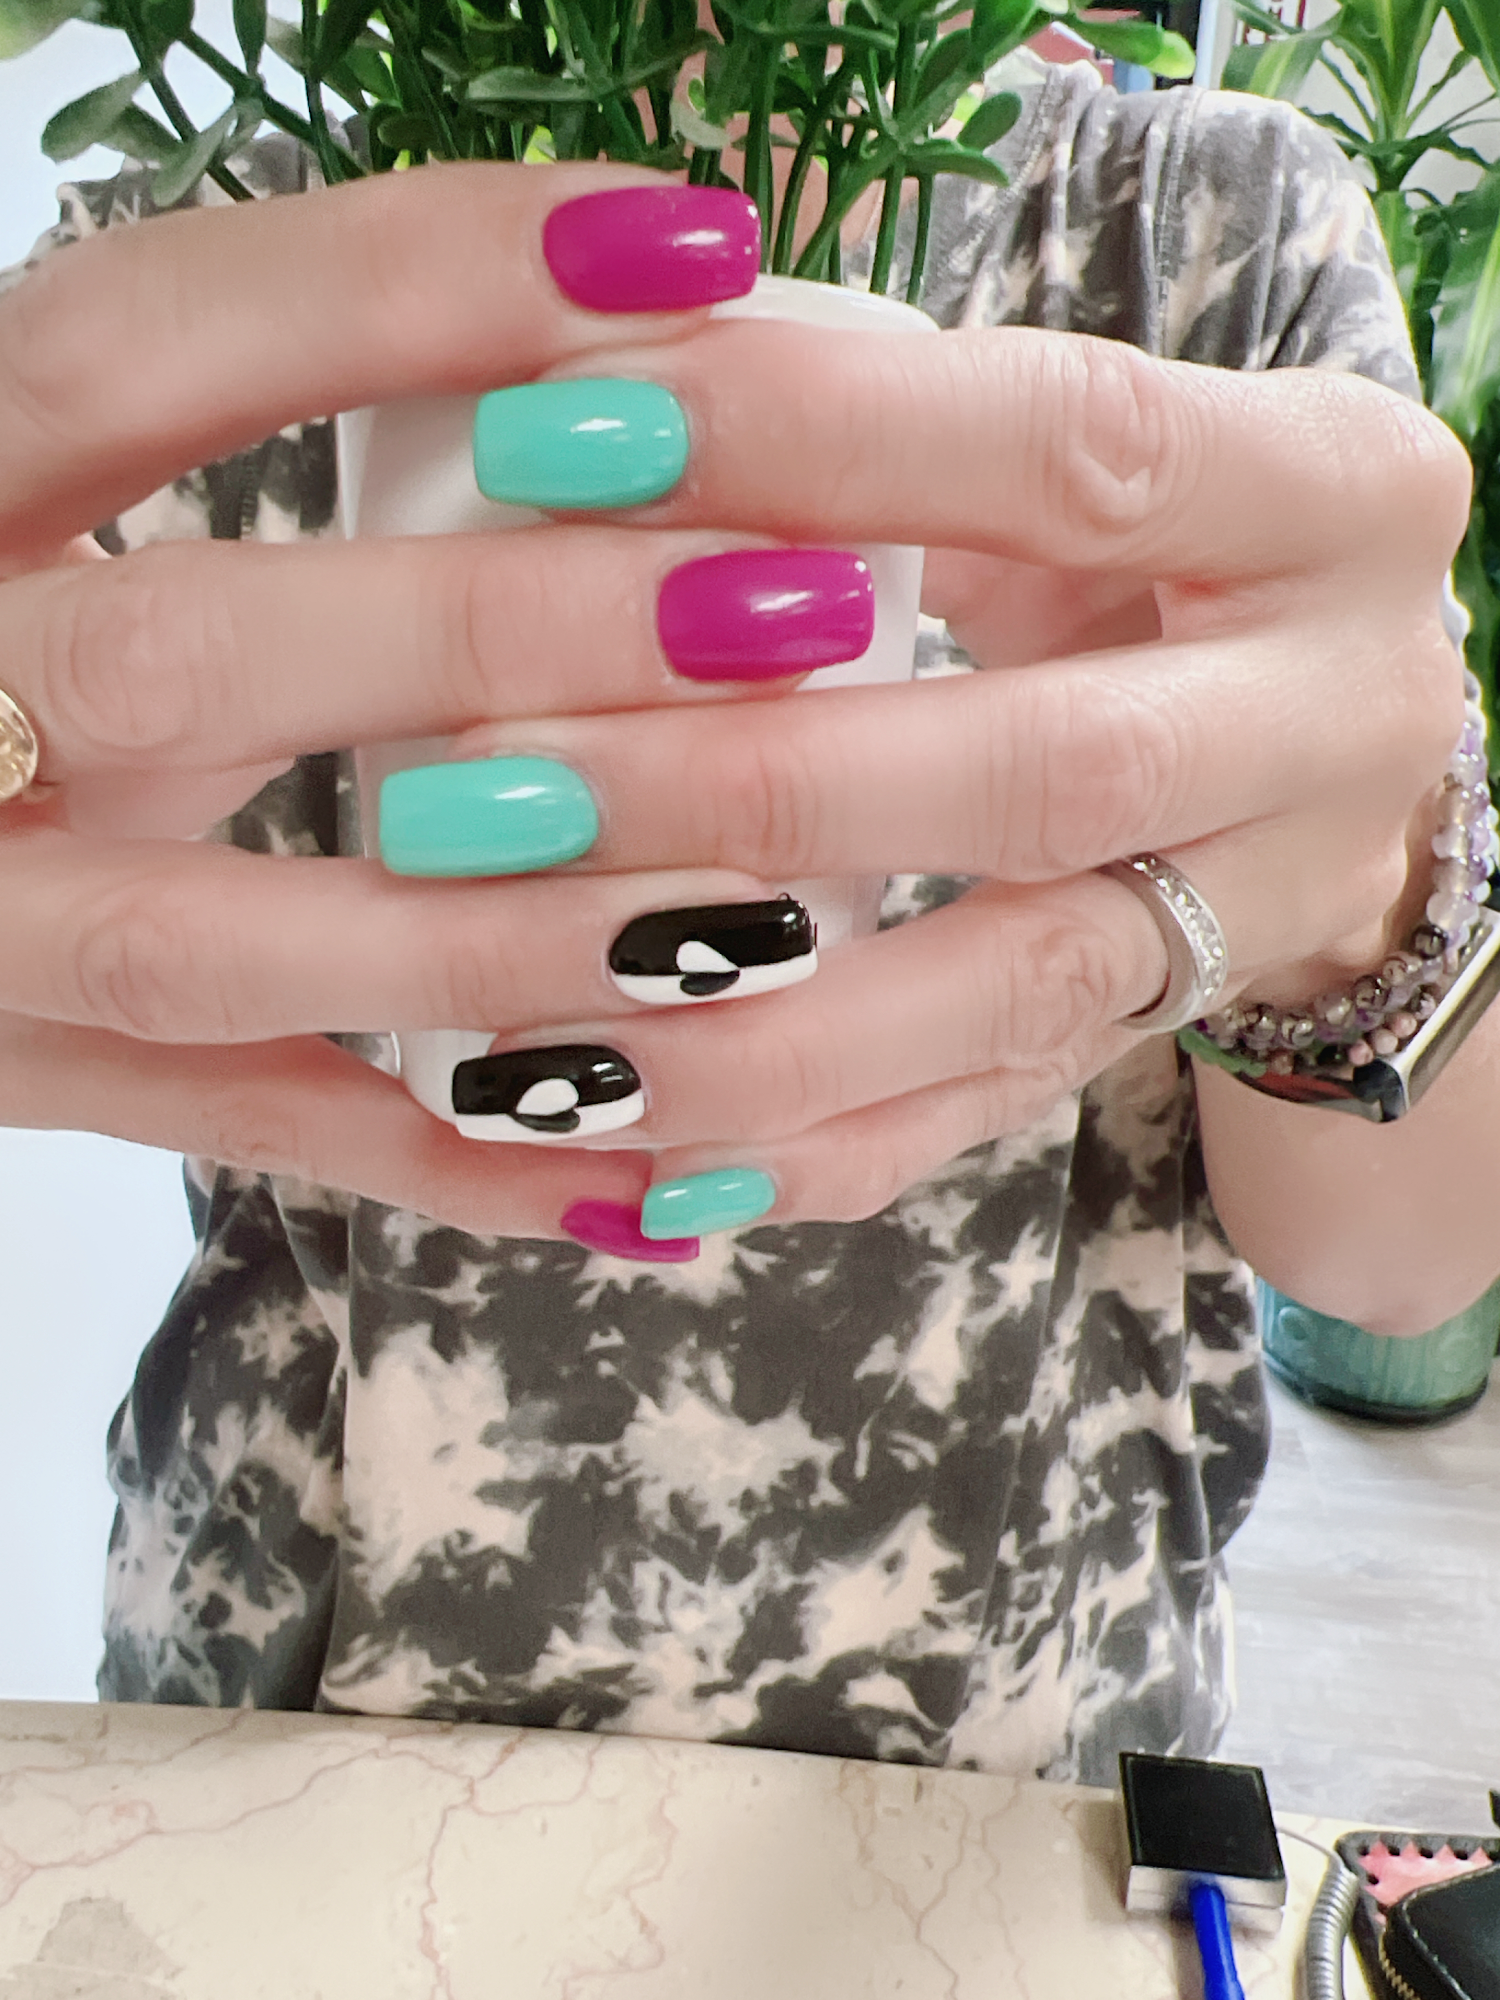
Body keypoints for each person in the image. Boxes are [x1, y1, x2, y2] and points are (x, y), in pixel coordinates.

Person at [0, 51, 1493, 1785]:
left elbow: (1400, 1270)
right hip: (280, 1713)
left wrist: (1350, 915)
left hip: (1024, 1760)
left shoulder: (1199, 235)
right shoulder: (201, 254)